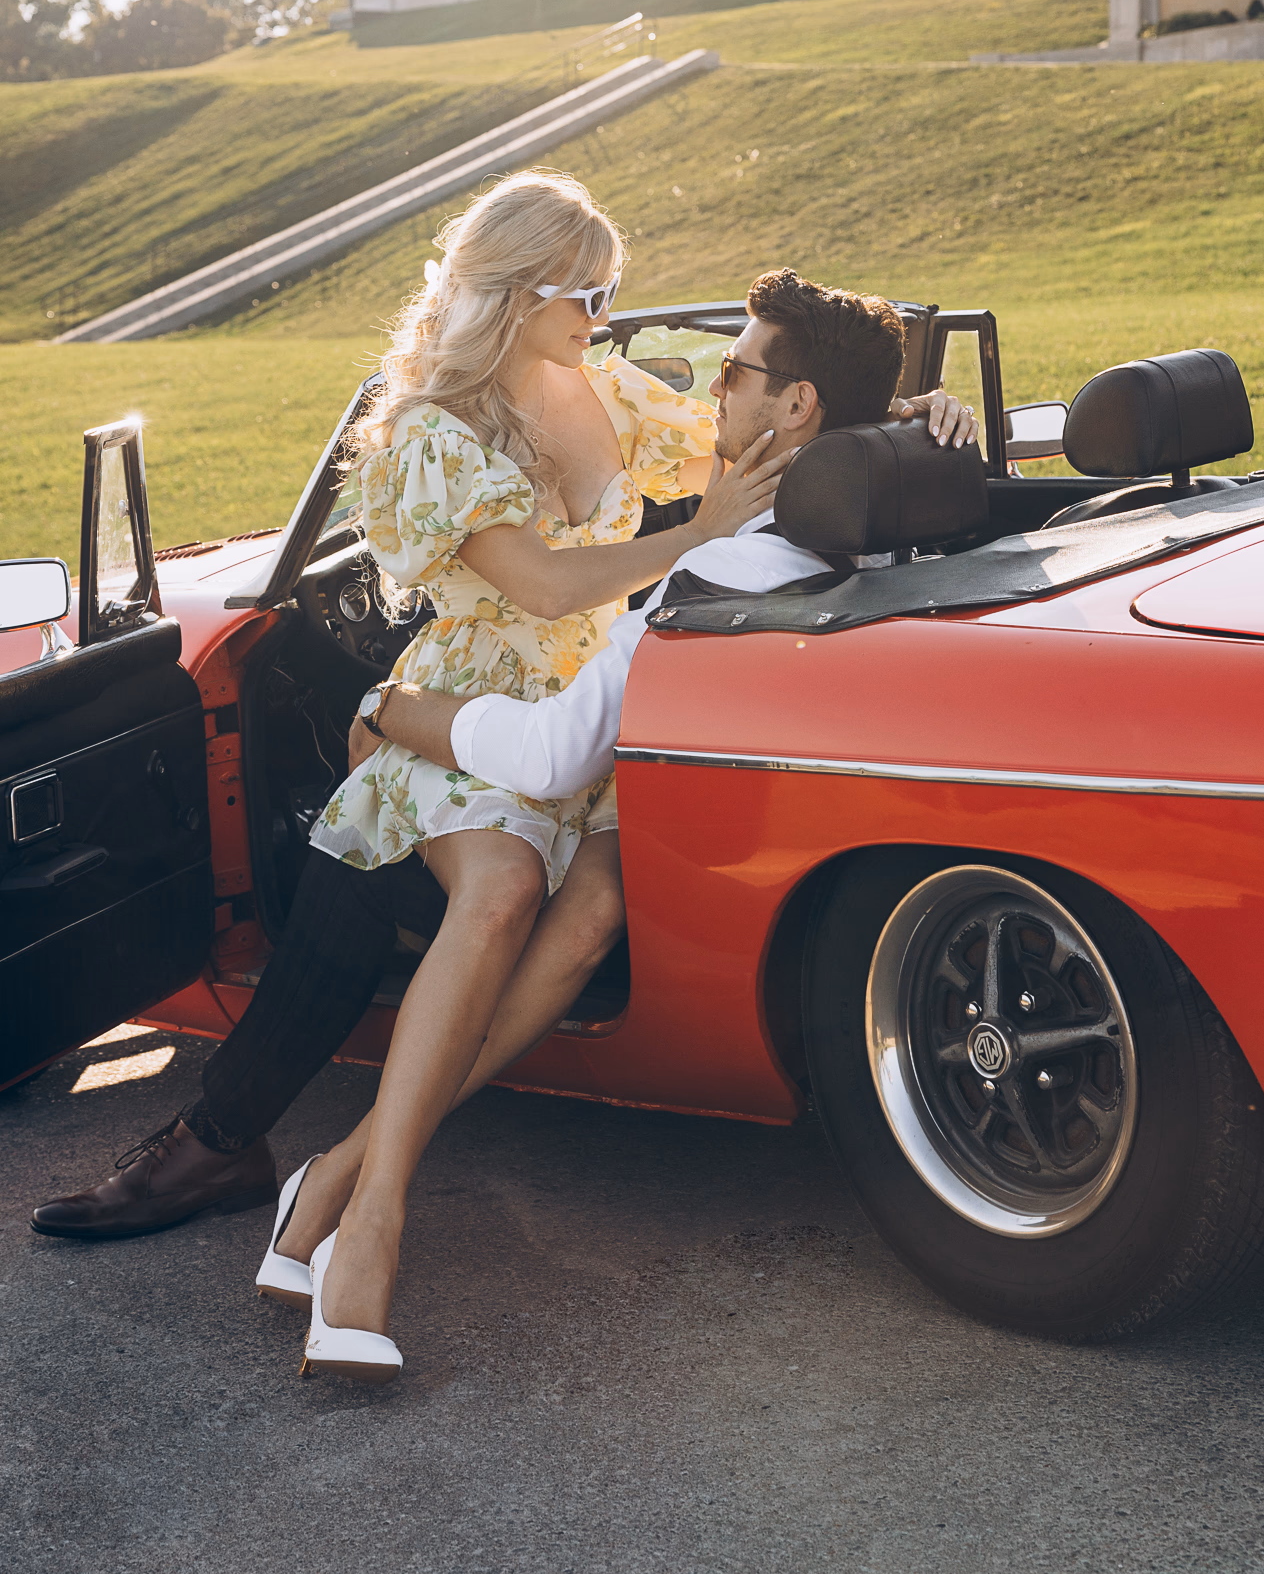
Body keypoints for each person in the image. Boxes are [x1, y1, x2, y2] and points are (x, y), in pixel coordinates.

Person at [31, 261, 974, 1292]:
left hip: (573, 707)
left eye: (612, 291)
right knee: (447, 853)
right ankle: (241, 1141)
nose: (606, 315)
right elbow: (550, 575)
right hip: (519, 689)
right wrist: (799, 466)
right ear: (518, 294)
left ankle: (263, 1149)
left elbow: (770, 426)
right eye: (590, 293)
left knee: (444, 857)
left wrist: (885, 420)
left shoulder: (617, 397)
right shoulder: (437, 431)